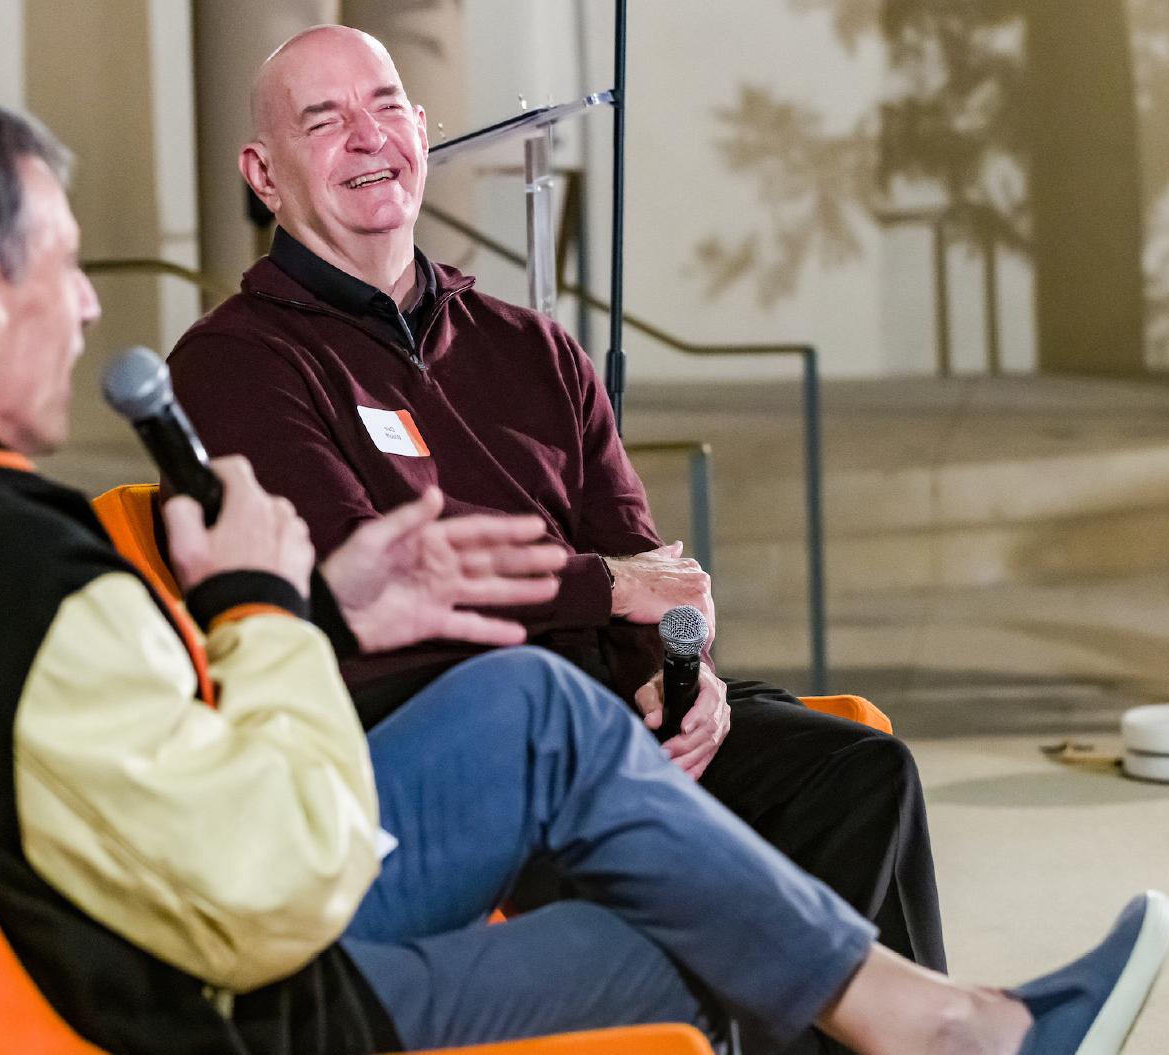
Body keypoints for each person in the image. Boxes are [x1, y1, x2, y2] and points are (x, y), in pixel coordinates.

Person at [0, 95, 1169, 1055]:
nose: (86, 308)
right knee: (710, 932)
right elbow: (274, 889)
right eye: (68, 267)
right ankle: (938, 1029)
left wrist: (328, 601)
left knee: (546, 708)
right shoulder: (36, 580)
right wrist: (264, 608)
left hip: (76, 936)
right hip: (230, 1004)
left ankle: (942, 1022)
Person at [166, 26, 944, 1037]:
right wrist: (604, 589)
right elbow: (376, 577)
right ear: (263, 175)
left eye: (385, 105)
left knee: (854, 773)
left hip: (607, 707)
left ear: (422, 128)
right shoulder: (235, 359)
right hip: (436, 739)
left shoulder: (533, 347)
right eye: (324, 119)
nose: (368, 137)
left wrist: (684, 676)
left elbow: (647, 564)